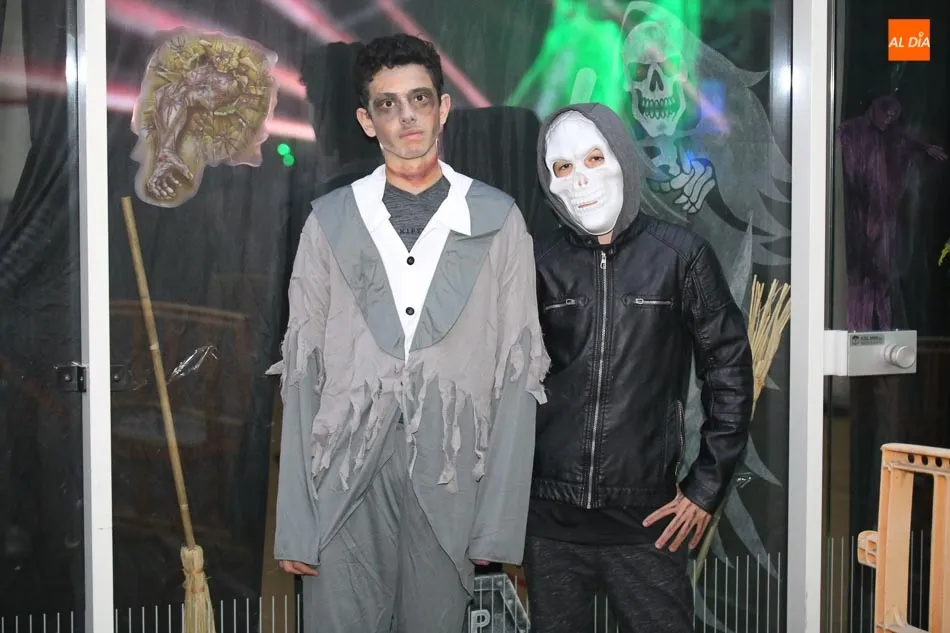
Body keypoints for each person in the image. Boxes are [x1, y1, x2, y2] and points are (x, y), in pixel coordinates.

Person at [267, 33, 549, 633]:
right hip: (343, 480)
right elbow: (301, 371)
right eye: (388, 104)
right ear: (366, 121)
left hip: (451, 479)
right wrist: (295, 520)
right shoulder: (329, 222)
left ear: (443, 108)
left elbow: (519, 372)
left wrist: (498, 523)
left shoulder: (498, 220)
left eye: (420, 98)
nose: (407, 116)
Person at [524, 103, 753, 632]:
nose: (581, 179)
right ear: (549, 182)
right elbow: (503, 380)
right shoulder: (536, 259)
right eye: (563, 167)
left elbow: (730, 372)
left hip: (647, 519)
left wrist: (705, 487)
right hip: (550, 522)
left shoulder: (681, 255)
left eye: (594, 158)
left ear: (623, 158)